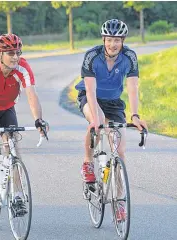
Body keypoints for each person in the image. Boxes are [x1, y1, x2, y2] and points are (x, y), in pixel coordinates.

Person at [75, 19, 148, 221]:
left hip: (114, 102)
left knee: (120, 150)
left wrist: (135, 115)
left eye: (117, 40)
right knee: (97, 125)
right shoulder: (92, 56)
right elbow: (90, 89)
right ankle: (88, 163)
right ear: (103, 39)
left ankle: (120, 202)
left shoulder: (130, 57)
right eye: (109, 39)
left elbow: (133, 87)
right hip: (90, 97)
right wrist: (97, 119)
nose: (113, 44)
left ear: (122, 40)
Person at [0, 33, 49, 210]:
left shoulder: (22, 67)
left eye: (17, 52)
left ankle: (17, 196)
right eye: (10, 53)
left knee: (13, 145)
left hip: (7, 107)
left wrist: (38, 119)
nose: (15, 57)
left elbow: (31, 94)